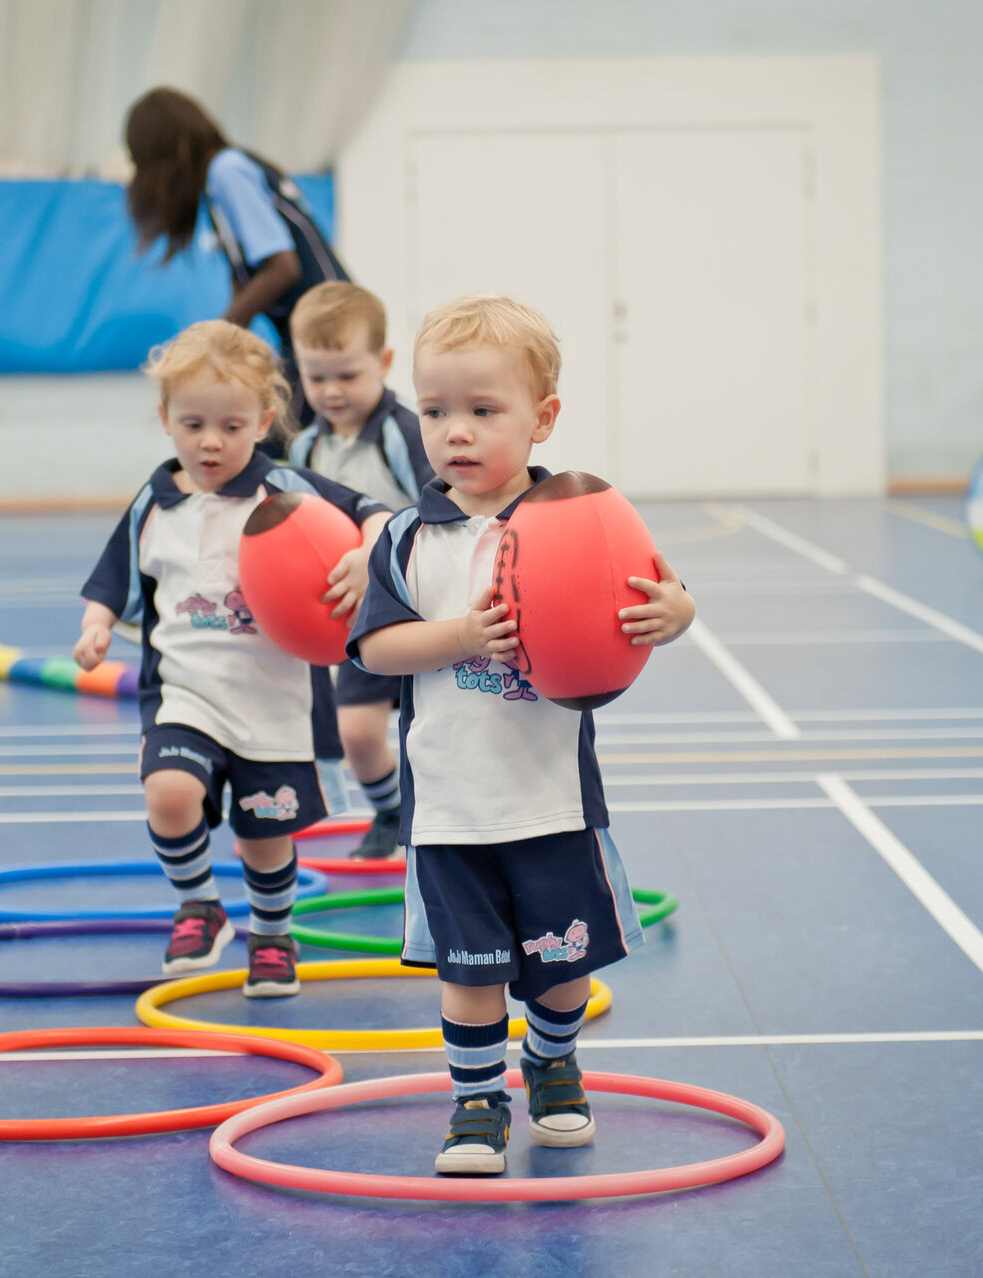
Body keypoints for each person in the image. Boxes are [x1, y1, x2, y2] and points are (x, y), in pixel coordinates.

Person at [348, 295, 697, 1175]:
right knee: (468, 974)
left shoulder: (577, 516)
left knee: (564, 965)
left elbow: (656, 592)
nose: (455, 432)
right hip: (451, 811)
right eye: (435, 411)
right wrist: (464, 636)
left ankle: (550, 1061)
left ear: (542, 418)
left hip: (552, 803)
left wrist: (677, 613)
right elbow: (378, 648)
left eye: (483, 409)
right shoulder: (407, 539)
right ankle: (476, 1104)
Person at [75, 319, 391, 997]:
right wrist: (95, 626)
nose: (210, 441)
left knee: (264, 837)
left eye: (231, 425)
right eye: (193, 424)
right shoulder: (154, 503)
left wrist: (366, 551)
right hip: (184, 694)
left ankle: (273, 937)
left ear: (264, 421)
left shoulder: (285, 490)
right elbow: (110, 579)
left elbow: (374, 512)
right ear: (166, 418)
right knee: (169, 792)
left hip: (273, 704)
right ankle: (199, 905)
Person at [287, 282, 434, 861]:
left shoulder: (404, 433)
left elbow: (440, 505)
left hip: (423, 609)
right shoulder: (304, 450)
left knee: (438, 734)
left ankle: (446, 820)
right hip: (361, 621)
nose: (331, 391)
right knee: (357, 733)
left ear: (384, 362)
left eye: (347, 375)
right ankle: (390, 809)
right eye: (316, 377)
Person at [123, 86, 347, 442]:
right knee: (268, 442)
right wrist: (224, 344)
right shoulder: (219, 183)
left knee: (268, 444)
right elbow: (246, 280)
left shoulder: (227, 171)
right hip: (311, 334)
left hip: (327, 335)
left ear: (176, 149)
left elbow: (283, 267)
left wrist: (212, 338)